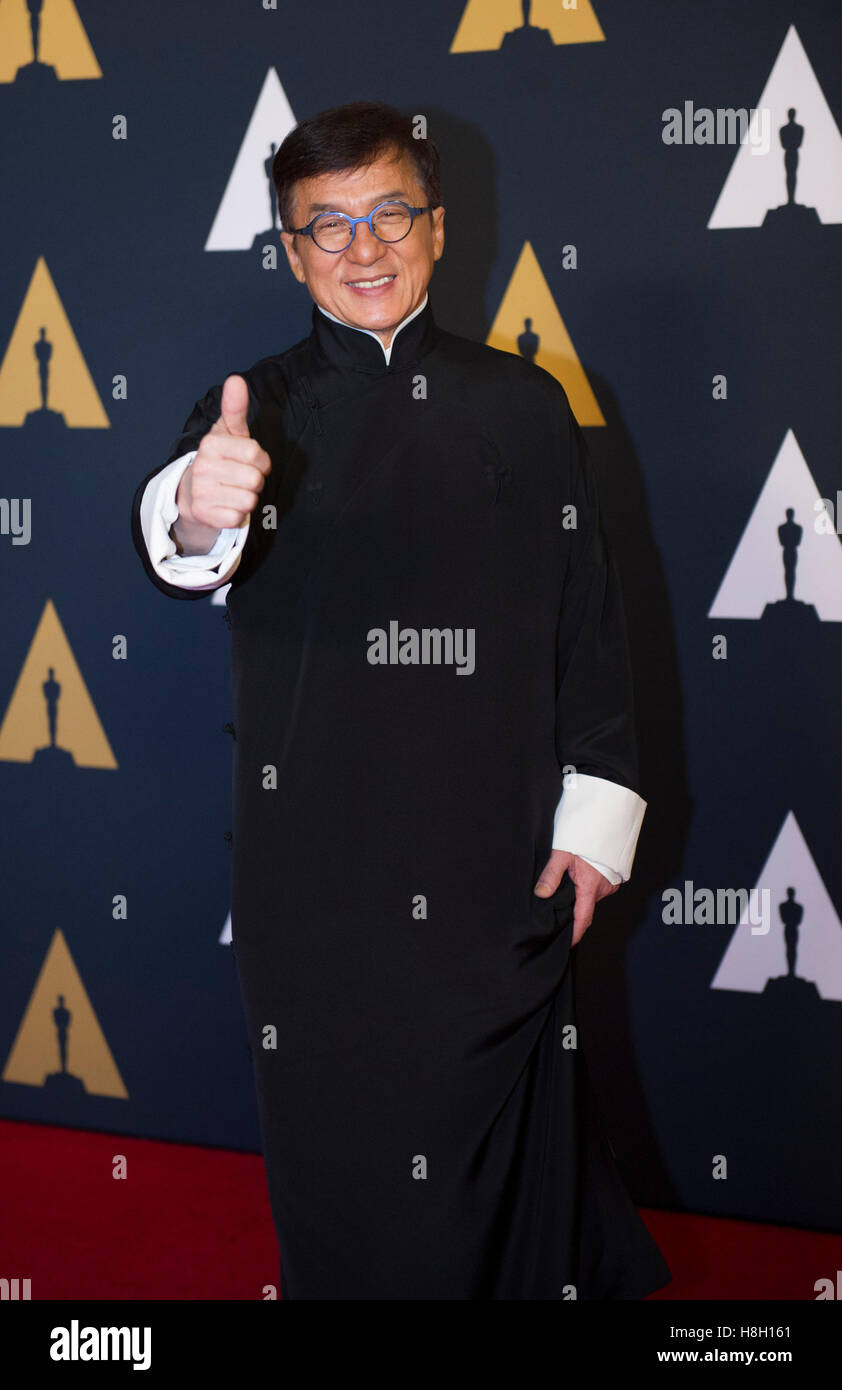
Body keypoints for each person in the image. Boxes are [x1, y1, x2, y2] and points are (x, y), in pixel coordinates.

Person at [131, 100, 671, 1300]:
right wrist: (196, 510)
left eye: (388, 214)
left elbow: (590, 621)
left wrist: (594, 823)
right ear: (290, 252)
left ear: (436, 227)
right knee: (346, 1176)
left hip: (496, 865)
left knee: (516, 1175)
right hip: (313, 880)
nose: (362, 247)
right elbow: (179, 535)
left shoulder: (528, 402)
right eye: (327, 226)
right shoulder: (250, 411)